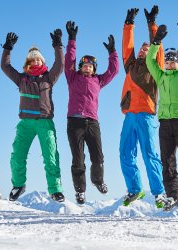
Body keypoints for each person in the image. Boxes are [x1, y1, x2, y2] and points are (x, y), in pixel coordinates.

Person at [0, 29, 65, 202]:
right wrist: (8, 48)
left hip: (45, 122)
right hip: (26, 123)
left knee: (50, 157)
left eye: (38, 58)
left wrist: (57, 44)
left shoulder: (49, 78)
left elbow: (60, 65)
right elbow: (5, 67)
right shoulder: (21, 79)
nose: (36, 60)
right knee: (17, 156)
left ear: (42, 61)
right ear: (28, 62)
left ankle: (55, 189)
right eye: (32, 59)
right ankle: (19, 185)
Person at [64, 21, 119, 205]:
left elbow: (114, 70)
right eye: (84, 64)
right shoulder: (72, 77)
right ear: (80, 67)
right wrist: (72, 39)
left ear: (94, 68)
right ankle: (80, 191)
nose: (87, 67)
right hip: (74, 122)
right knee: (78, 159)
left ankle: (98, 181)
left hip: (92, 122)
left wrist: (112, 52)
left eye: (90, 65)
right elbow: (69, 61)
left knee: (98, 157)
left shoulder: (99, 81)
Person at [146, 16, 178, 211]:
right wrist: (156, 42)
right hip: (165, 122)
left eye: (173, 60)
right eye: (167, 60)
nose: (169, 63)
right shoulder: (160, 76)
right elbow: (151, 61)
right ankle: (173, 196)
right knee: (166, 161)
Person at [120, 5, 166, 208]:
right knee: (125, 153)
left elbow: (158, 49)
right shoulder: (130, 65)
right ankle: (134, 188)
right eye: (141, 49)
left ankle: (159, 193)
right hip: (129, 115)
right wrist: (129, 24)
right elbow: (127, 46)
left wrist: (152, 24)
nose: (142, 51)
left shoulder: (154, 68)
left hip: (146, 115)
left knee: (150, 154)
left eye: (146, 50)